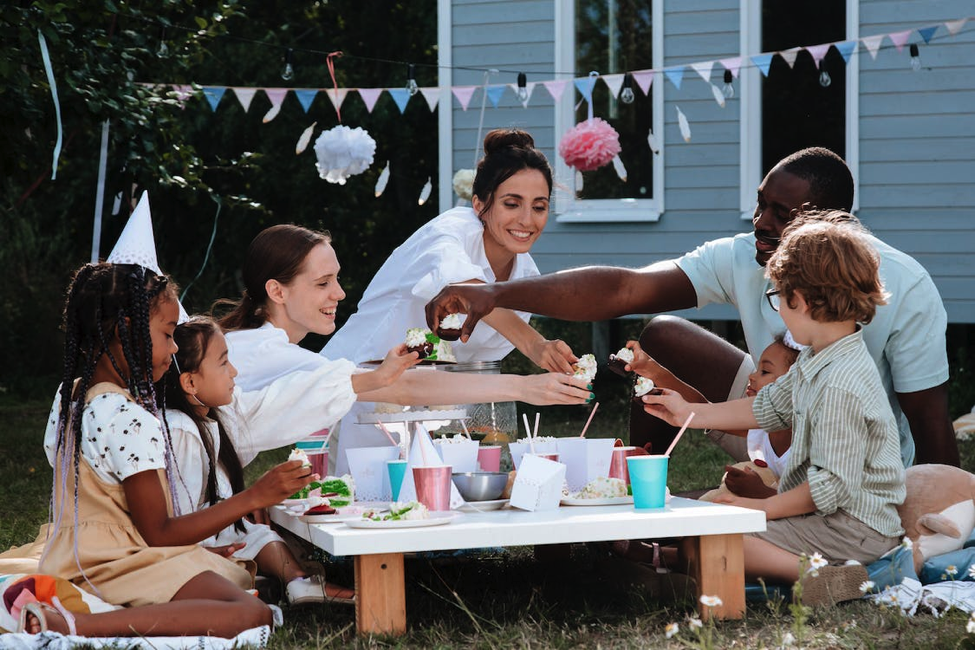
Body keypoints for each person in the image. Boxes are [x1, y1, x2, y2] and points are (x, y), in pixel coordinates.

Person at [425, 147, 957, 468]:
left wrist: (941, 520)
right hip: (772, 419)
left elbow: (931, 426)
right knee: (661, 334)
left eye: (779, 212)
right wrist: (496, 294)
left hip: (851, 454)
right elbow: (625, 290)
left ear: (828, 222)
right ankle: (640, 507)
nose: (760, 222)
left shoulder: (903, 287)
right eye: (759, 204)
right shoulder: (745, 256)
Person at [34, 263, 315, 638]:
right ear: (127, 331)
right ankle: (79, 625)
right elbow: (159, 533)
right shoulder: (129, 417)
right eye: (168, 335)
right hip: (113, 563)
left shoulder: (71, 395)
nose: (173, 348)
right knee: (251, 612)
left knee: (236, 579)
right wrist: (255, 496)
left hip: (72, 551)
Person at [642, 213, 906, 606]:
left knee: (713, 537)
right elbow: (767, 407)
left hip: (853, 529)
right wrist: (687, 414)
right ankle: (808, 569)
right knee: (704, 536)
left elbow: (826, 489)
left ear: (800, 299)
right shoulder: (822, 358)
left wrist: (757, 508)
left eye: (778, 298)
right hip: (832, 519)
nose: (778, 309)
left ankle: (824, 578)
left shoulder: (841, 383)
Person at [218, 224, 592, 473]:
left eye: (337, 278)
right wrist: (527, 387)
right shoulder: (269, 352)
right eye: (322, 283)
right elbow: (403, 388)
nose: (340, 293)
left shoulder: (257, 344)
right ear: (277, 291)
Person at [321, 129, 576, 471]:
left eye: (539, 207)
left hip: (425, 407)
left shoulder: (525, 276)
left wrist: (484, 439)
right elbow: (468, 292)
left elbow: (476, 372)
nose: (527, 220)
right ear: (479, 204)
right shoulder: (450, 231)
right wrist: (537, 347)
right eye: (511, 204)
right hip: (352, 391)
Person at [163, 317, 354, 605]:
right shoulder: (180, 430)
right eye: (224, 363)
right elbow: (180, 520)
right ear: (190, 382)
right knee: (244, 536)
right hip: (187, 544)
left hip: (213, 532)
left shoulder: (211, 421)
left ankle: (297, 580)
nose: (235, 372)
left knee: (258, 533)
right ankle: (259, 582)